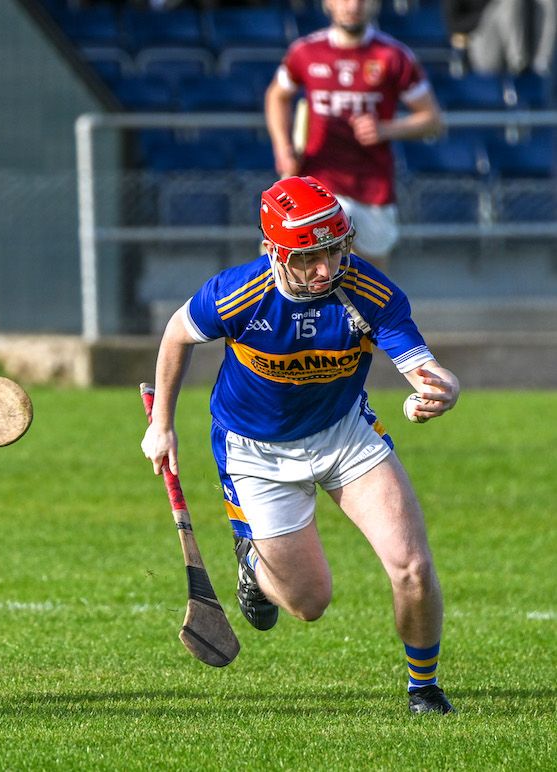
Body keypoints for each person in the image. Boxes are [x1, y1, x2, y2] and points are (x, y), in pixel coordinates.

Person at [141, 175, 460, 715]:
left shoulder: (369, 292)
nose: (325, 270)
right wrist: (162, 425)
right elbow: (177, 333)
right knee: (309, 604)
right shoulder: (238, 294)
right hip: (255, 452)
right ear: (272, 252)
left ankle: (423, 687)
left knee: (412, 565)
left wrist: (441, 387)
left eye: (335, 251)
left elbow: (420, 364)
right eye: (308, 257)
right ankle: (254, 568)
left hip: (344, 434)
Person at [265, 0, 444, 270]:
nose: (353, 5)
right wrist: (283, 147)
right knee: (312, 274)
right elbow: (277, 95)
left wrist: (385, 128)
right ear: (328, 3)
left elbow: (432, 120)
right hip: (320, 185)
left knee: (372, 279)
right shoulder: (306, 51)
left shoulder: (393, 56)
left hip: (373, 186)